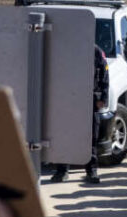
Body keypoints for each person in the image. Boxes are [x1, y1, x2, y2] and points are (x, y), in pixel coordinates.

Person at [51, 46, 109, 184]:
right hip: (67, 99)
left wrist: (103, 98)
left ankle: (91, 170)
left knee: (90, 137)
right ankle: (62, 171)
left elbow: (105, 75)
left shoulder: (96, 51)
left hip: (89, 99)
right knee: (64, 135)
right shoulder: (64, 47)